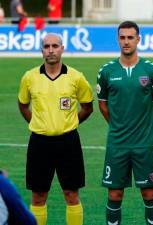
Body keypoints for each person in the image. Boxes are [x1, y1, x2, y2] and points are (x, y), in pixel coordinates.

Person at [18, 33, 93, 225]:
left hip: (68, 142)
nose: (50, 50)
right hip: (39, 142)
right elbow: (23, 104)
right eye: (46, 46)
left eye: (55, 46)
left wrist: (70, 123)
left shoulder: (76, 77)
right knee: (38, 196)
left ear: (62, 48)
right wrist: (36, 122)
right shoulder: (29, 77)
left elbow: (87, 106)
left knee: (71, 194)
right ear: (41, 49)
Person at [97, 21, 153, 225]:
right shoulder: (106, 71)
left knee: (149, 193)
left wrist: (143, 125)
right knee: (115, 194)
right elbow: (103, 106)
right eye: (122, 37)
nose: (126, 42)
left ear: (138, 39)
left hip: (145, 143)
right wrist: (119, 125)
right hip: (117, 143)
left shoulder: (152, 70)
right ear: (118, 39)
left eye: (130, 37)